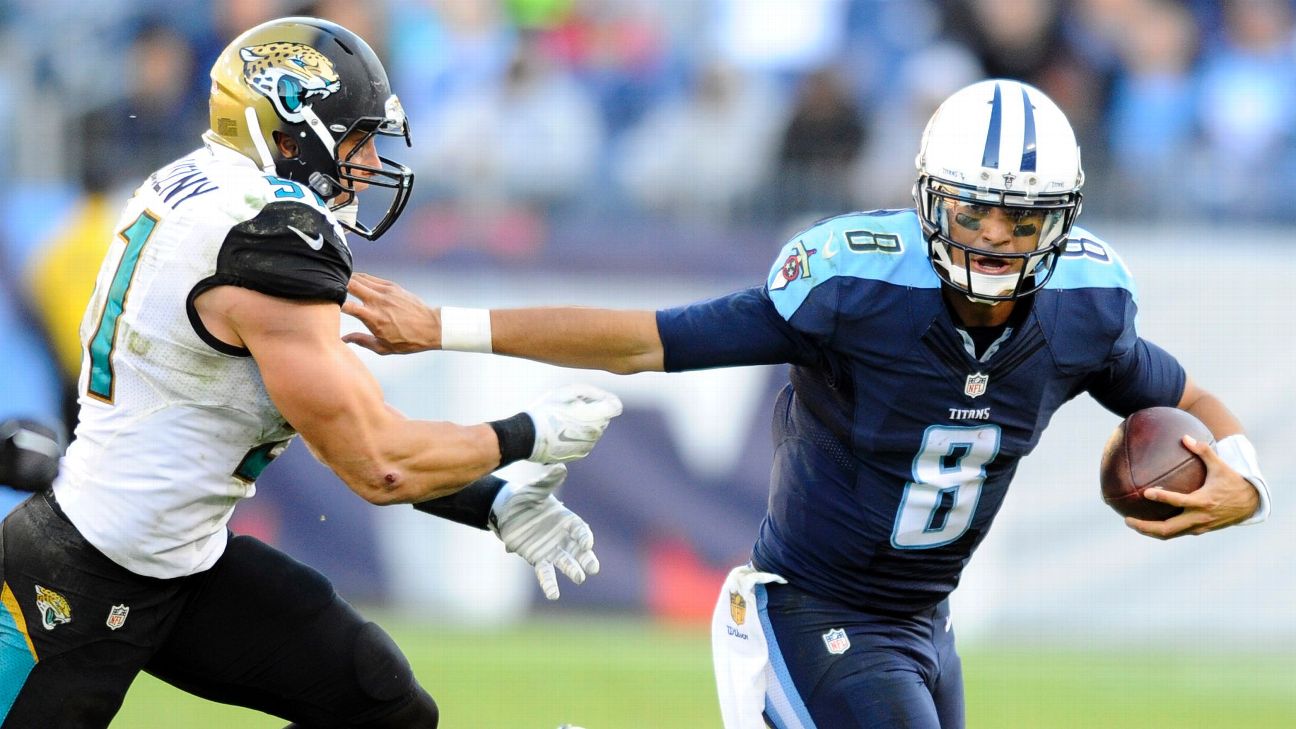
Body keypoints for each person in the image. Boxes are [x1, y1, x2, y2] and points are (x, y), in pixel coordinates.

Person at [340, 79, 1272, 729]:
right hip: (808, 605)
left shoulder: (1084, 309)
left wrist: (1246, 479)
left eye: (1020, 220)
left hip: (924, 622)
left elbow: (1190, 397)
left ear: (1059, 221)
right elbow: (647, 337)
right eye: (976, 211)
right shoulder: (856, 287)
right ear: (928, 200)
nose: (994, 239)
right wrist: (448, 326)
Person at [0, 16, 623, 728]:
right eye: (356, 139)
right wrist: (530, 432)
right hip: (76, 575)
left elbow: (338, 422)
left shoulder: (207, 188)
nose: (367, 163)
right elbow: (379, 462)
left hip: (179, 558)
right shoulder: (269, 235)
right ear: (289, 131)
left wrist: (489, 500)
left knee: (379, 703)